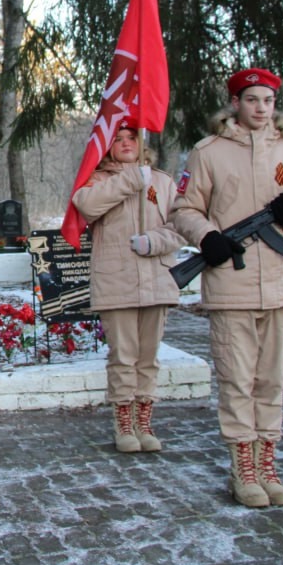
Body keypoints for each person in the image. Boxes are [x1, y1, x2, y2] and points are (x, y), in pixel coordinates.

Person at [170, 68, 283, 508]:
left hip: (281, 283)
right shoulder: (208, 152)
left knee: (272, 381)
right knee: (237, 380)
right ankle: (243, 467)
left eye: (268, 101)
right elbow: (184, 208)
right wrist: (207, 237)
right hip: (232, 282)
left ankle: (267, 463)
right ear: (235, 103)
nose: (260, 108)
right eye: (251, 99)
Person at [71, 123, 187, 454]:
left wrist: (154, 241)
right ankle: (123, 421)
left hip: (157, 278)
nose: (124, 143)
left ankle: (144, 420)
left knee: (148, 357)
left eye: (130, 138)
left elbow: (181, 225)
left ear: (142, 141)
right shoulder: (98, 179)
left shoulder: (163, 181)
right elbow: (87, 207)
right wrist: (130, 179)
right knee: (123, 355)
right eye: (117, 139)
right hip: (116, 279)